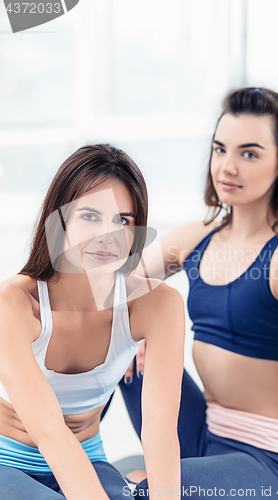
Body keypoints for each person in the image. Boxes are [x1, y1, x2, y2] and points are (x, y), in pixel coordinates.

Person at [109, 88, 278, 498]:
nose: (227, 167)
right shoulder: (201, 237)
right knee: (113, 338)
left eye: (249, 153)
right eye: (219, 149)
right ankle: (50, 446)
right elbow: (113, 285)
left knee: (151, 492)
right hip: (202, 433)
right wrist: (136, 327)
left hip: (273, 464)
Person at [0, 144, 185, 500]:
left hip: (88, 456)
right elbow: (49, 431)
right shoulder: (14, 304)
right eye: (89, 216)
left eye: (122, 220)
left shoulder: (159, 305)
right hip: (7, 461)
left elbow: (160, 428)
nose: (107, 235)